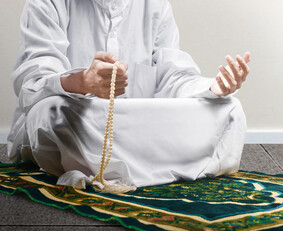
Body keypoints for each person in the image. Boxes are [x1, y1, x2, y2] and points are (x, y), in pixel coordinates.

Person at [7, 0, 250, 190]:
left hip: (137, 117)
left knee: (229, 108)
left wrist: (214, 88)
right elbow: (33, 80)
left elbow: (172, 77)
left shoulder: (155, 5)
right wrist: (83, 82)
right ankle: (163, 163)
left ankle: (108, 165)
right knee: (50, 114)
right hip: (80, 116)